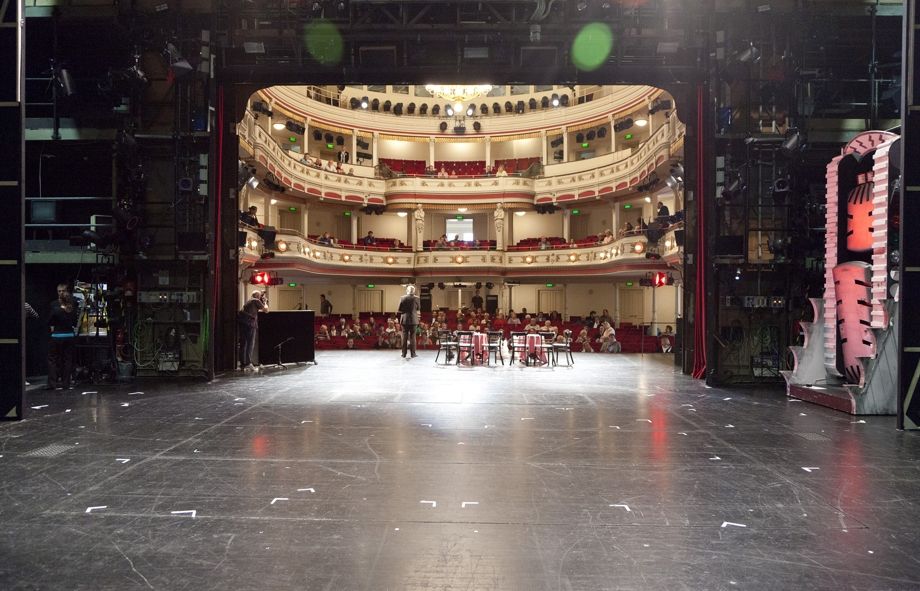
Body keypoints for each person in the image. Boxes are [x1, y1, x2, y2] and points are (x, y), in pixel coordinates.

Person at [46, 289, 79, 390]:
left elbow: (49, 322)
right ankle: (66, 384)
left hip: (57, 336)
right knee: (68, 360)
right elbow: (74, 323)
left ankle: (53, 383)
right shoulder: (72, 311)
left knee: (52, 359)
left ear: (60, 300)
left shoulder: (56, 310)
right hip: (69, 336)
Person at [238, 290, 267, 371]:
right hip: (251, 325)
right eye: (260, 296)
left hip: (243, 324)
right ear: (257, 296)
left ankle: (243, 363)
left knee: (243, 344)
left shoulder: (249, 301)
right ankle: (248, 363)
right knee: (250, 344)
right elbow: (266, 310)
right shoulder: (256, 300)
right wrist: (265, 302)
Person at [397, 284, 420, 358]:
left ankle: (403, 354)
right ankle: (413, 354)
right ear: (414, 291)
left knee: (404, 337)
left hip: (405, 319)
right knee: (413, 337)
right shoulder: (417, 298)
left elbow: (399, 309)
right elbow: (418, 308)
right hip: (413, 319)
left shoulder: (402, 298)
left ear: (407, 291)